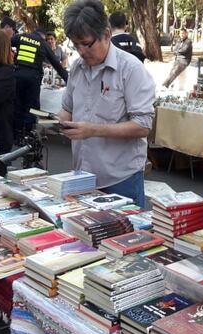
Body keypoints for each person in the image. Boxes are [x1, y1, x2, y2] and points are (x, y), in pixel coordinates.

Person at [60, 0, 155, 208]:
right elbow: (67, 109)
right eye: (76, 45)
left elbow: (143, 126)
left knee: (122, 238)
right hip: (81, 177)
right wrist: (61, 123)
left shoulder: (130, 69)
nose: (81, 51)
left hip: (120, 179)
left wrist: (93, 130)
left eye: (86, 44)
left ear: (107, 34)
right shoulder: (77, 67)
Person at [11, 25, 68, 136]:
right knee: (32, 107)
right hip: (33, 78)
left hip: (18, 75)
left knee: (17, 104)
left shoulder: (21, 37)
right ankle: (28, 134)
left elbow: (5, 43)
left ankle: (16, 133)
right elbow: (57, 65)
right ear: (43, 35)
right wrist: (69, 80)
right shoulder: (43, 44)